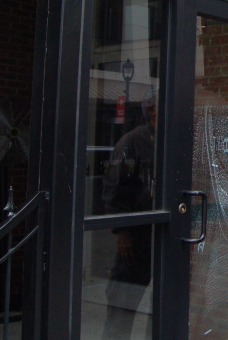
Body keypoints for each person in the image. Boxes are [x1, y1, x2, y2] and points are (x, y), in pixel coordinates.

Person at [101, 89, 157, 338]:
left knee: (160, 308)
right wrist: (123, 230)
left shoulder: (169, 140)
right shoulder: (131, 142)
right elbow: (114, 189)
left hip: (162, 232)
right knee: (123, 301)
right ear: (151, 110)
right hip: (136, 235)